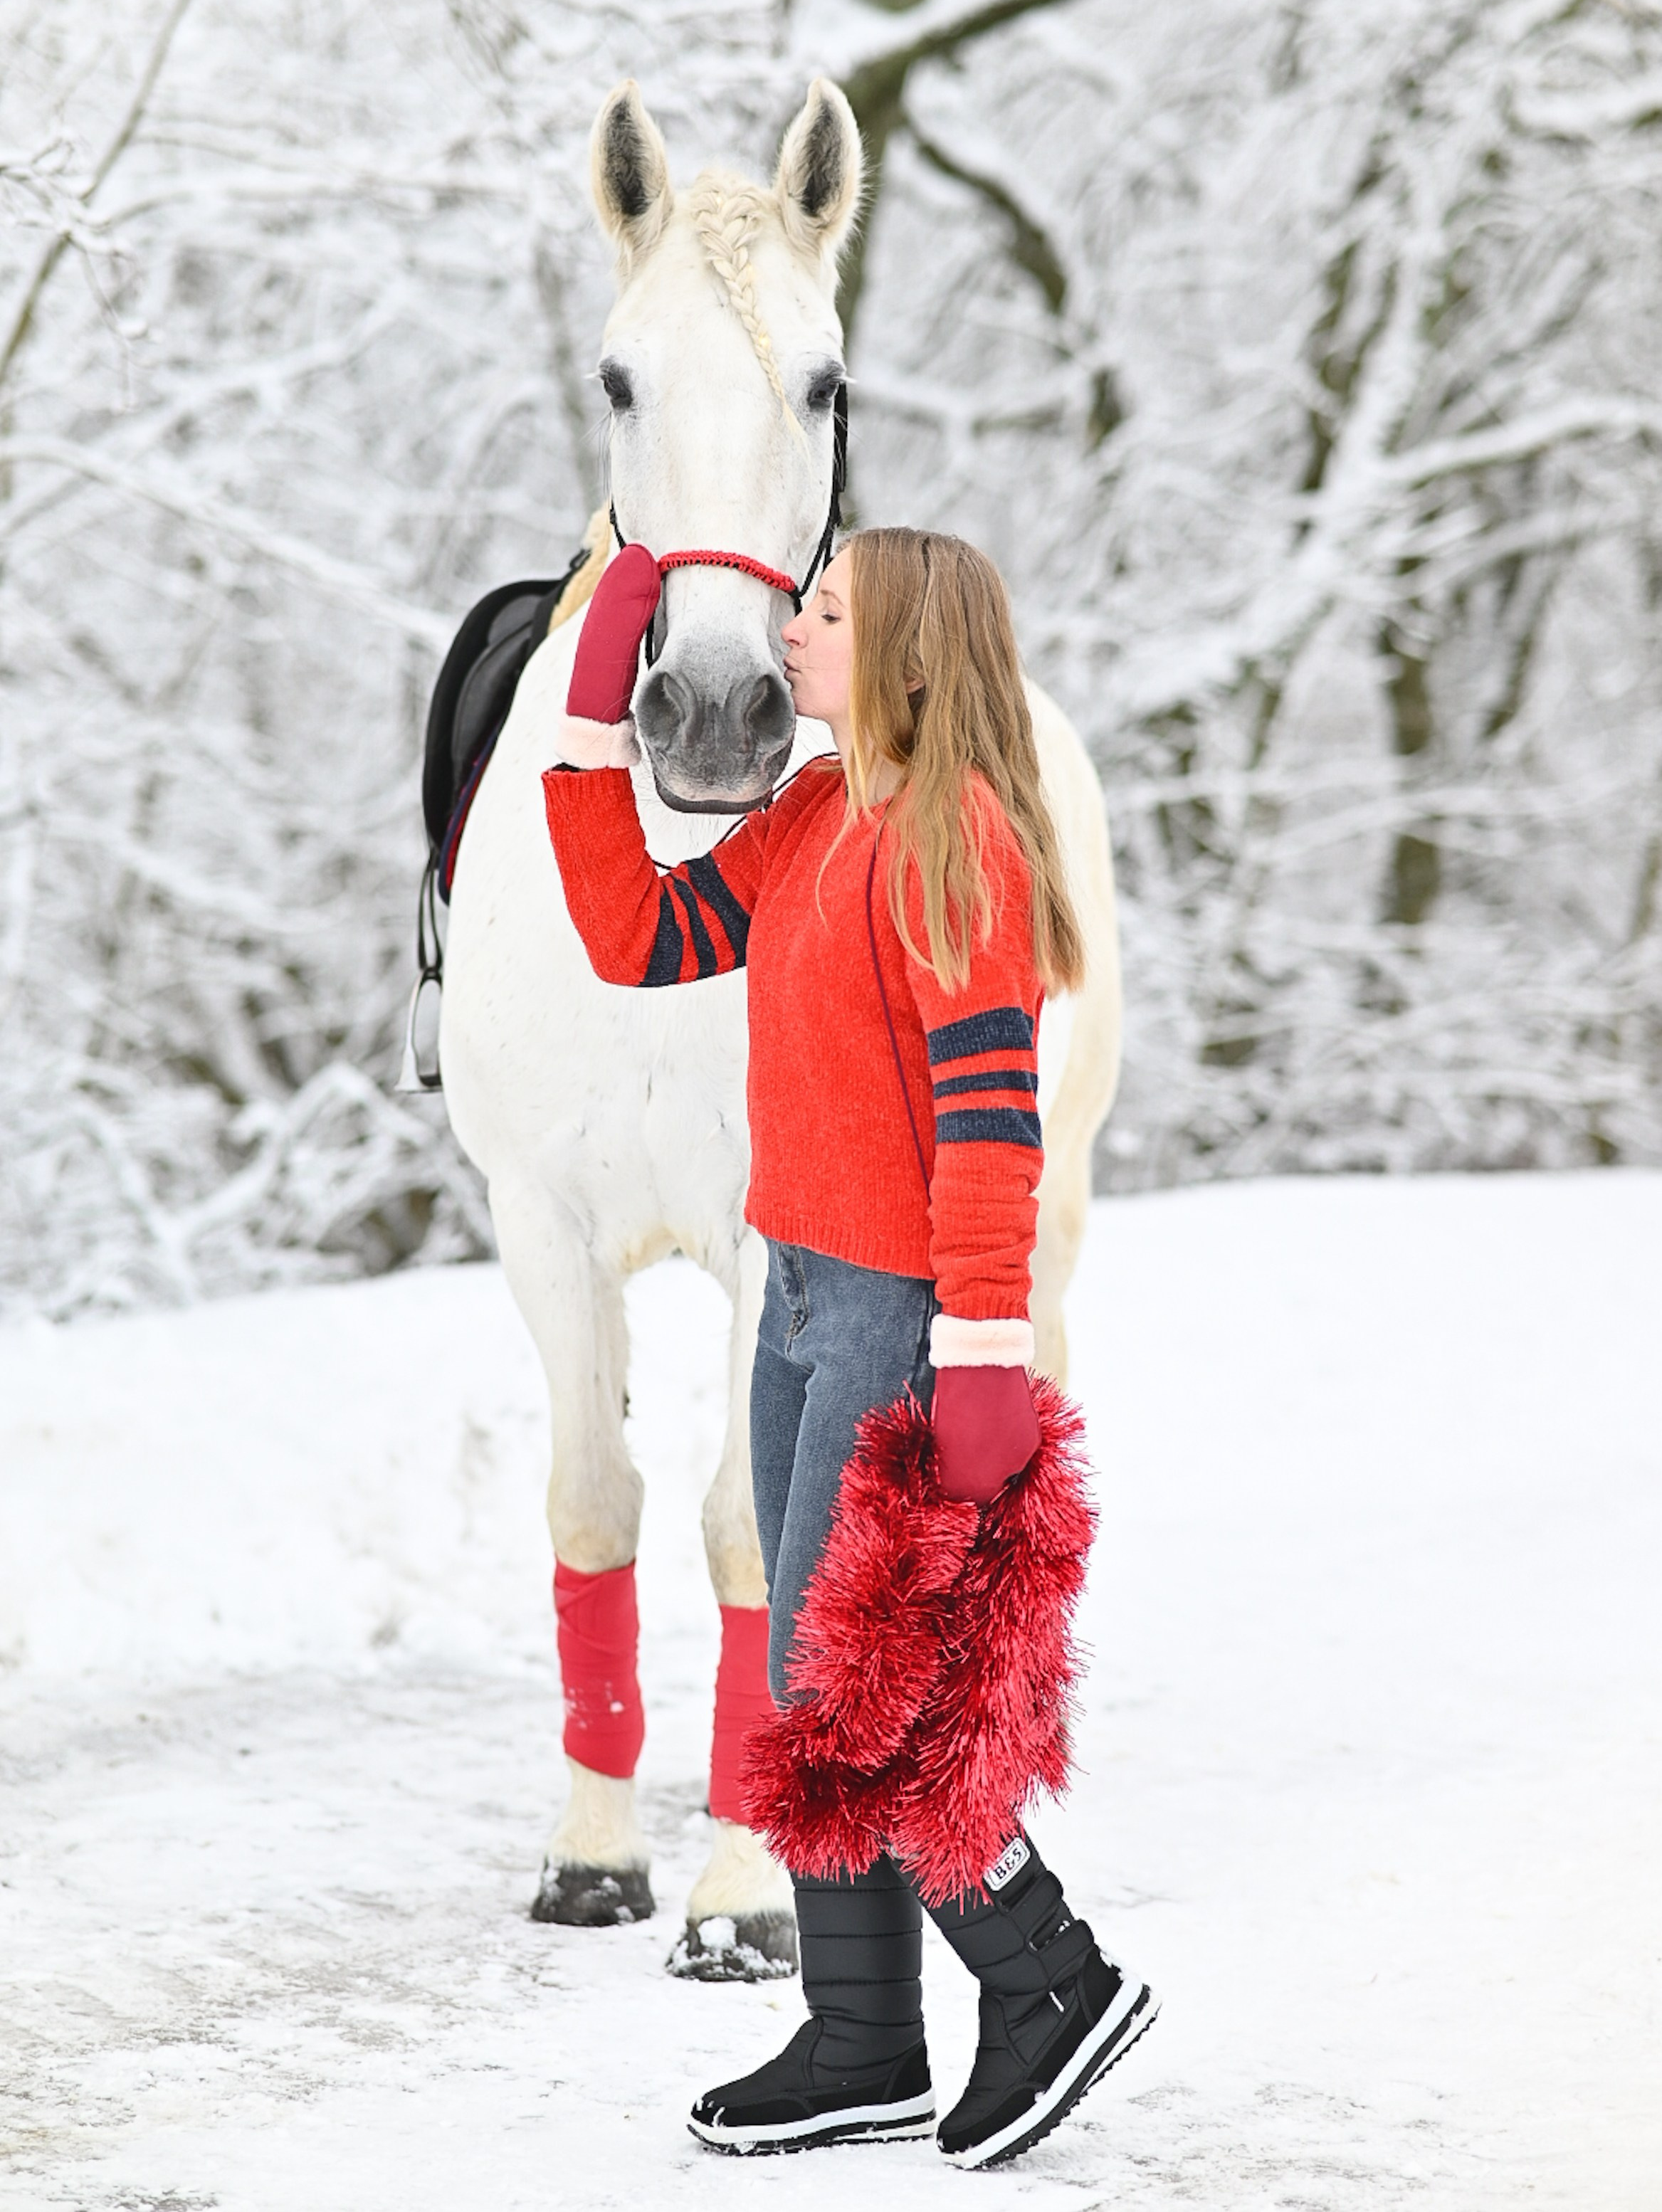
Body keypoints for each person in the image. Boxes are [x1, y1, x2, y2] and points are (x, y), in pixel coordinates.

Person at [542, 526, 1157, 2169]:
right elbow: (634, 931)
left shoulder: (961, 840)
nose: (789, 631)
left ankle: (1053, 1977)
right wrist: (594, 718)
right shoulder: (815, 813)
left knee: (849, 1681)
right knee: (820, 1679)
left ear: (902, 650)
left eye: (821, 610)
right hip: (799, 1289)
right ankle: (865, 2038)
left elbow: (993, 1126)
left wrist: (983, 1349)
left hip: (898, 1310)